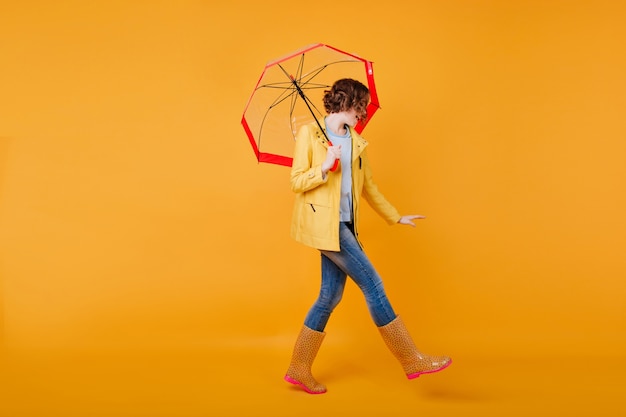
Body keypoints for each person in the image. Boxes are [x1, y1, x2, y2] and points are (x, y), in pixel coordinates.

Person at [284, 78, 452, 394]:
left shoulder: (355, 141)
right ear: (345, 102)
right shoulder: (310, 134)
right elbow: (296, 181)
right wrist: (323, 167)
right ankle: (411, 359)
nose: (362, 113)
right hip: (325, 224)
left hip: (347, 224)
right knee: (373, 284)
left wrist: (395, 216)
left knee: (329, 297)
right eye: (359, 106)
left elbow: (368, 187)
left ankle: (298, 367)